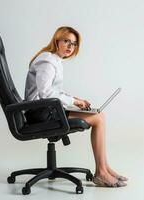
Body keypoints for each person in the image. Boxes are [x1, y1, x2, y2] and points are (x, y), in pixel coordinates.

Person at [24, 26, 127, 187]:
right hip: (40, 113)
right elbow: (45, 93)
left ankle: (105, 168)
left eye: (74, 44)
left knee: (99, 116)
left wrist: (75, 99)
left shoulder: (54, 60)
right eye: (66, 41)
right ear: (57, 41)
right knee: (98, 119)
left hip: (47, 109)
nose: (70, 47)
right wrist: (73, 101)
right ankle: (101, 172)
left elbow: (53, 91)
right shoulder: (47, 61)